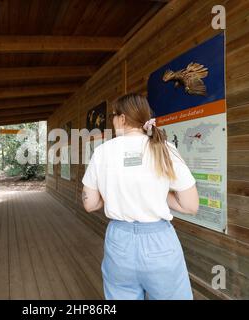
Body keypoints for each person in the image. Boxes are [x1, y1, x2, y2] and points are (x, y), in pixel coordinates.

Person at [82, 93, 199, 300]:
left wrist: (113, 194)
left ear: (123, 119)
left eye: (113, 116)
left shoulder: (102, 152)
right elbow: (190, 205)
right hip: (159, 241)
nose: (113, 120)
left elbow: (90, 204)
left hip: (119, 242)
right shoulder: (164, 148)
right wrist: (155, 194)